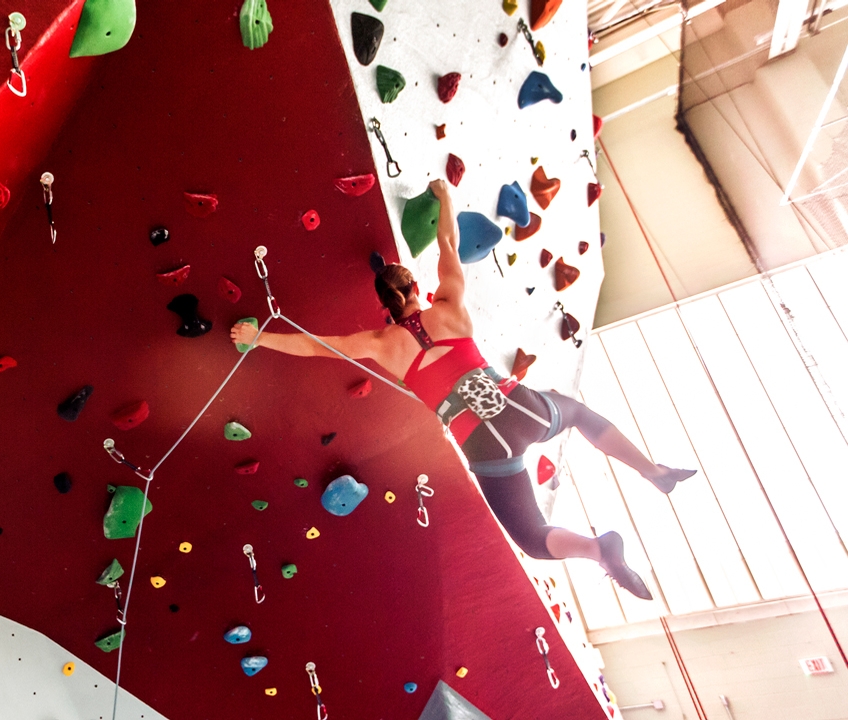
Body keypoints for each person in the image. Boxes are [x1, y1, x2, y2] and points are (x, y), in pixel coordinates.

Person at [229, 178, 693, 600]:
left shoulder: (379, 344)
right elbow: (448, 242)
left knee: (533, 537)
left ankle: (596, 549)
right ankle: (652, 471)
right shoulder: (448, 305)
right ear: (413, 286)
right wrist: (446, 197)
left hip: (486, 444)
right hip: (518, 406)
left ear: (383, 306)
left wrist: (258, 338)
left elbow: (315, 347)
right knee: (584, 419)